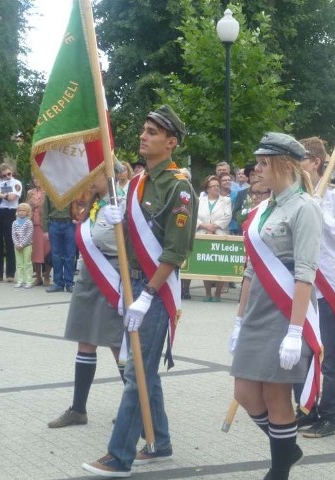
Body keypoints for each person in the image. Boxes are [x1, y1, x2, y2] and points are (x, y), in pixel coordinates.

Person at [82, 104, 196, 477]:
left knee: (138, 374)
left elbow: (176, 251)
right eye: (144, 129)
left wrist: (147, 294)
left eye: (152, 131)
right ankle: (159, 442)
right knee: (143, 368)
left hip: (155, 292)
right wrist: (117, 218)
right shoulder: (138, 182)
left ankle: (119, 455)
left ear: (171, 142)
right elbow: (131, 238)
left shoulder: (179, 188)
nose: (143, 136)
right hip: (132, 284)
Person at [228, 132, 323, 480]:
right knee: (244, 391)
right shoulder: (263, 209)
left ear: (282, 164)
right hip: (257, 310)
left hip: (286, 312)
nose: (256, 169)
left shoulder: (306, 209)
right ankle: (287, 447)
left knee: (275, 394)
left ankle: (279, 469)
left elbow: (305, 274)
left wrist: (295, 331)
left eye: (262, 162)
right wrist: (239, 321)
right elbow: (251, 269)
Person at [48, 166, 127, 429]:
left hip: (112, 276)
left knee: (118, 344)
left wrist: (124, 222)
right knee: (85, 340)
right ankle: (78, 409)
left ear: (109, 176)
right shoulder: (95, 205)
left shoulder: (125, 204)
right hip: (89, 275)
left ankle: (135, 407)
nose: (89, 180)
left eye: (95, 174)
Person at [294, 136, 335, 438]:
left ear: (317, 162)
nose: (296, 166)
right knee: (300, 352)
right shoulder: (295, 195)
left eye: (301, 160)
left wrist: (325, 216)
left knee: (327, 354)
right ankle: (306, 408)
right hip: (300, 285)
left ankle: (329, 415)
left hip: (326, 286)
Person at [196, 175, 231, 301]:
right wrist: (205, 226)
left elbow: (227, 217)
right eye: (213, 186)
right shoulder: (200, 200)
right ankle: (207, 293)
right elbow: (195, 216)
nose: (216, 188)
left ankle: (217, 294)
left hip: (220, 234)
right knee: (206, 264)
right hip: (203, 234)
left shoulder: (226, 200)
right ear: (207, 188)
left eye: (217, 186)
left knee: (219, 265)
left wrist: (214, 227)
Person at [0, 163, 22, 282]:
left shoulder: (16, 183)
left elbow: (11, 198)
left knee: (9, 242)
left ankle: (10, 273)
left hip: (9, 213)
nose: (8, 176)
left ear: (11, 171)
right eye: (5, 175)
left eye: (9, 173)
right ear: (1, 175)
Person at [42, 190, 78, 293]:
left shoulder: (72, 190)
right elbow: (45, 211)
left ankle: (69, 283)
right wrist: (45, 230)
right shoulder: (50, 191)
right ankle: (58, 283)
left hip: (69, 224)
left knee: (70, 254)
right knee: (56, 255)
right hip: (54, 223)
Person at [26, 177, 51, 286]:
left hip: (44, 225)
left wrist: (39, 204)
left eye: (38, 177)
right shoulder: (30, 192)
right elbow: (26, 206)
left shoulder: (49, 192)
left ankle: (47, 276)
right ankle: (38, 277)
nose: (36, 180)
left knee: (47, 251)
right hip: (33, 224)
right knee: (35, 252)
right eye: (34, 178)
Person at [11, 202, 34, 288]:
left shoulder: (29, 223)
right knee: (19, 264)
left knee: (27, 264)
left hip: (27, 246)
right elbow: (13, 234)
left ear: (27, 212)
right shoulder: (14, 223)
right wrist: (17, 244)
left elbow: (29, 235)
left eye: (24, 211)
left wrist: (22, 244)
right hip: (17, 247)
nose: (21, 212)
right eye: (20, 210)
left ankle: (29, 281)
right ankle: (20, 280)